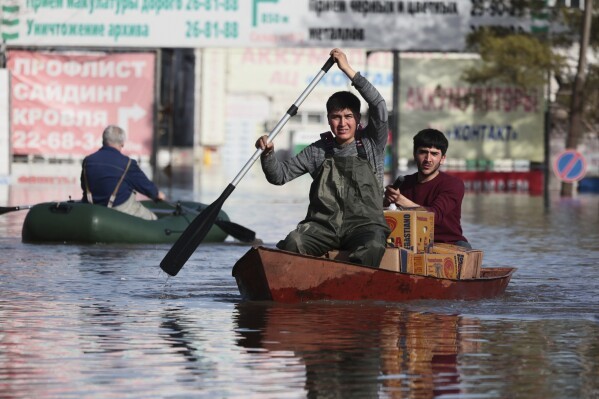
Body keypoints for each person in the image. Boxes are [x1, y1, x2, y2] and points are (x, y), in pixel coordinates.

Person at [255, 48, 390, 267]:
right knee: (294, 241)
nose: (342, 123)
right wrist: (268, 153)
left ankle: (354, 287)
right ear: (328, 120)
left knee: (373, 245)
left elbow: (379, 106)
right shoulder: (317, 151)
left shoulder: (372, 142)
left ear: (357, 119)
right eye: (336, 118)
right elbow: (278, 177)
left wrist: (346, 69)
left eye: (348, 117)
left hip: (365, 226)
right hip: (324, 228)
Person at [384, 128, 471, 248]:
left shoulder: (453, 184)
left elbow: (434, 216)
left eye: (434, 154)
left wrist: (400, 200)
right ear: (415, 154)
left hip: (449, 244)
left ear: (443, 159)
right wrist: (386, 199)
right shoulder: (404, 183)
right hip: (413, 244)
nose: (428, 159)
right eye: (423, 152)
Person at [81, 125, 165, 220]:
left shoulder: (88, 161)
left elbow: (84, 187)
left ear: (103, 141)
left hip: (92, 209)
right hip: (120, 209)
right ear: (122, 144)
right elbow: (145, 186)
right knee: (153, 218)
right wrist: (157, 194)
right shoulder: (128, 164)